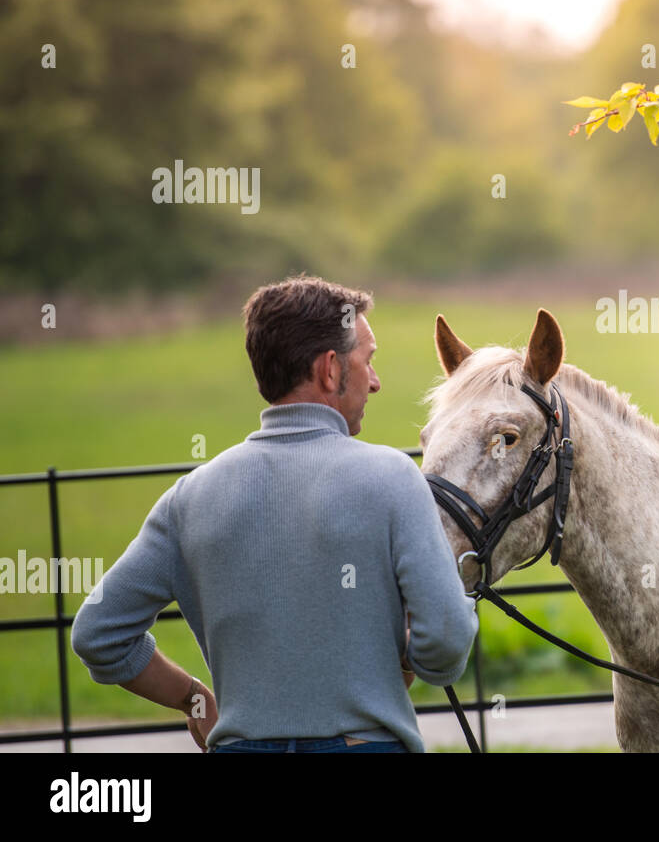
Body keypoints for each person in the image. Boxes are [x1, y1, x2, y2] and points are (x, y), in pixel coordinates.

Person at [71, 273, 478, 752]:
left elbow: (98, 634)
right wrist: (404, 661)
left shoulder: (190, 496)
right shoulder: (393, 476)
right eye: (367, 361)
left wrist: (196, 700)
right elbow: (446, 643)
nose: (375, 381)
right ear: (329, 369)